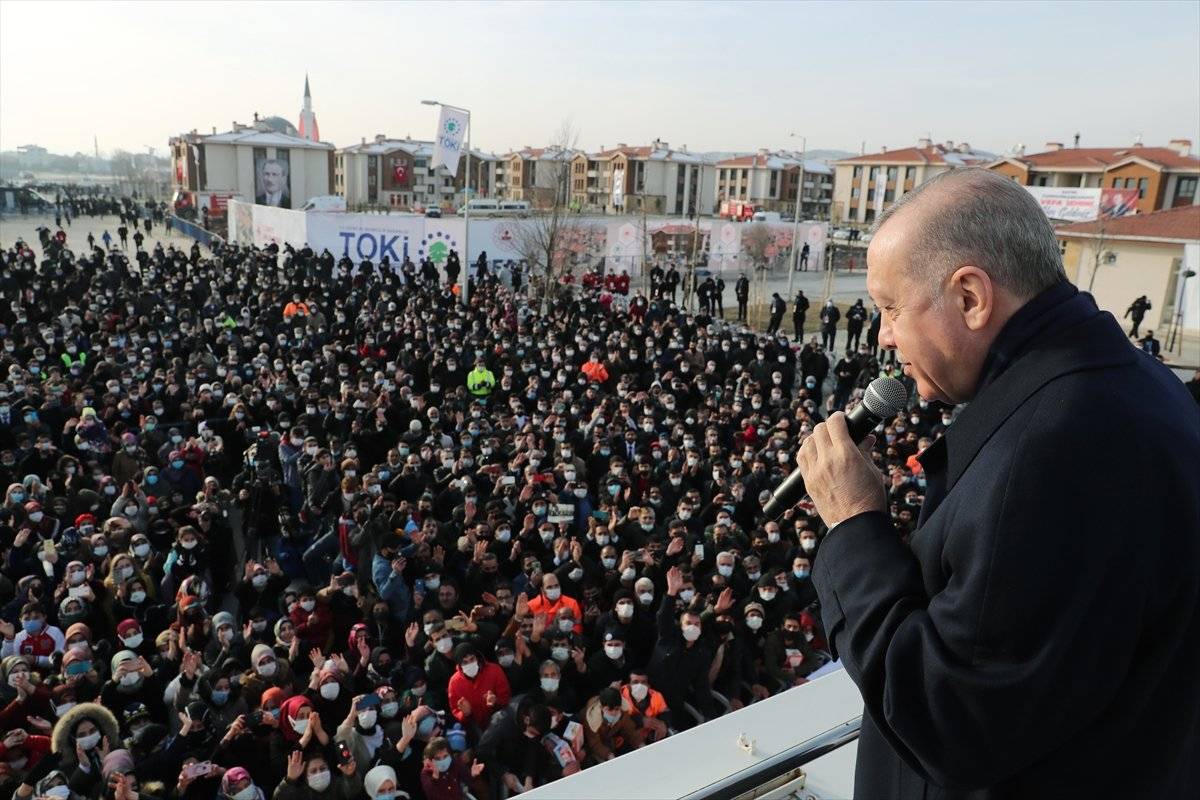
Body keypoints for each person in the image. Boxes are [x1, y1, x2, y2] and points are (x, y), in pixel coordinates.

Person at [795, 167, 1200, 799]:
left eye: (893, 308)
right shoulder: (1134, 384)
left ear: (971, 297)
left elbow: (955, 718)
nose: (885, 335)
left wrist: (854, 526)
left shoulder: (1058, 447)